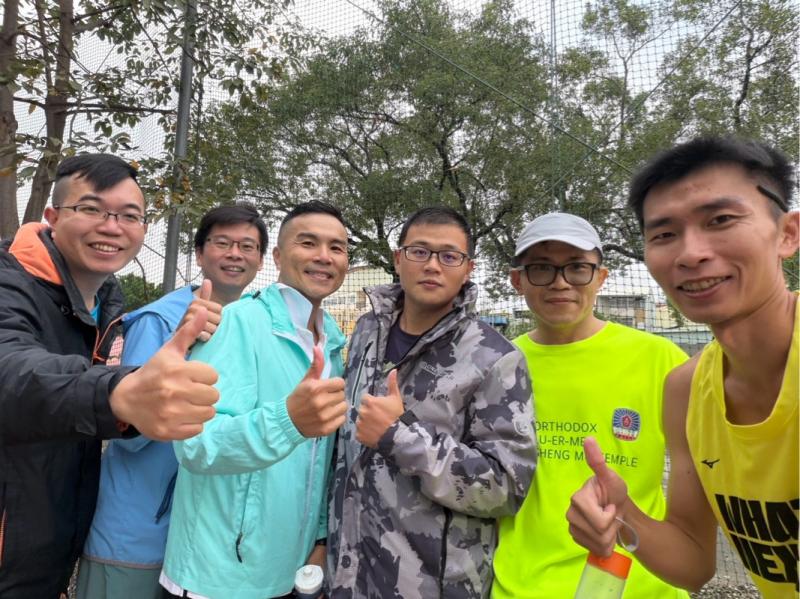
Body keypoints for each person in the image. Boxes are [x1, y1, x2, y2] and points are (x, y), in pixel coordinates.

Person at [567, 136, 799, 598]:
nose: (690, 254)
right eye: (664, 235)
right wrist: (622, 513)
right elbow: (692, 564)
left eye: (721, 220)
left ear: (787, 234)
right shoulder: (686, 389)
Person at [0, 154, 219, 598]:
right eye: (91, 209)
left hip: (47, 551)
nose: (111, 226)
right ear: (52, 217)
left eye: (129, 215)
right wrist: (117, 392)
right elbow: (13, 369)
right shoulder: (10, 282)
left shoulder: (106, 306)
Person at [328, 206, 537, 599]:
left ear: (468, 268)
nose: (432, 265)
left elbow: (506, 487)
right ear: (398, 259)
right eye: (419, 251)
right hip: (347, 575)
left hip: (428, 586)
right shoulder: (367, 330)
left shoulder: (496, 358)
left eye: (449, 256)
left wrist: (399, 437)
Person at [491, 212, 689, 599]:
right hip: (520, 588)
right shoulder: (497, 365)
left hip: (642, 587)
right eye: (541, 268)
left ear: (601, 276)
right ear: (517, 280)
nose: (560, 282)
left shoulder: (662, 360)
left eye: (578, 267)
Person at [160, 201, 350, 599]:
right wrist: (287, 421)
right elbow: (196, 444)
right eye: (308, 243)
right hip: (216, 578)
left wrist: (319, 536)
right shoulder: (238, 322)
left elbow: (318, 461)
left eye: (337, 247)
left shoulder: (332, 344)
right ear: (277, 256)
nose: (324, 256)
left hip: (287, 573)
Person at [77, 203, 268, 599]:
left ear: (261, 259)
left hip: (201, 543)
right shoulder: (159, 322)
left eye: (247, 246)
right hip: (139, 536)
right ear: (199, 253)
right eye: (222, 243)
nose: (235, 254)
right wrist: (185, 354)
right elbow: (130, 432)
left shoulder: (251, 327)